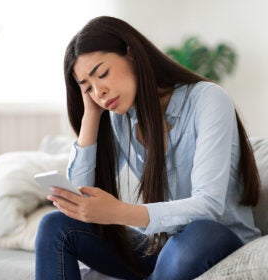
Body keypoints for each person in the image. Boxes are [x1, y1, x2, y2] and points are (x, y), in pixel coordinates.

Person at [35, 16, 261, 280]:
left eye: (103, 74)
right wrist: (90, 117)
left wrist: (119, 212)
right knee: (55, 225)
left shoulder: (207, 99)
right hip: (163, 247)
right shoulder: (122, 118)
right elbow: (80, 206)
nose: (100, 92)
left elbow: (208, 206)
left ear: (131, 55)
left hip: (214, 240)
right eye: (88, 88)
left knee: (199, 232)